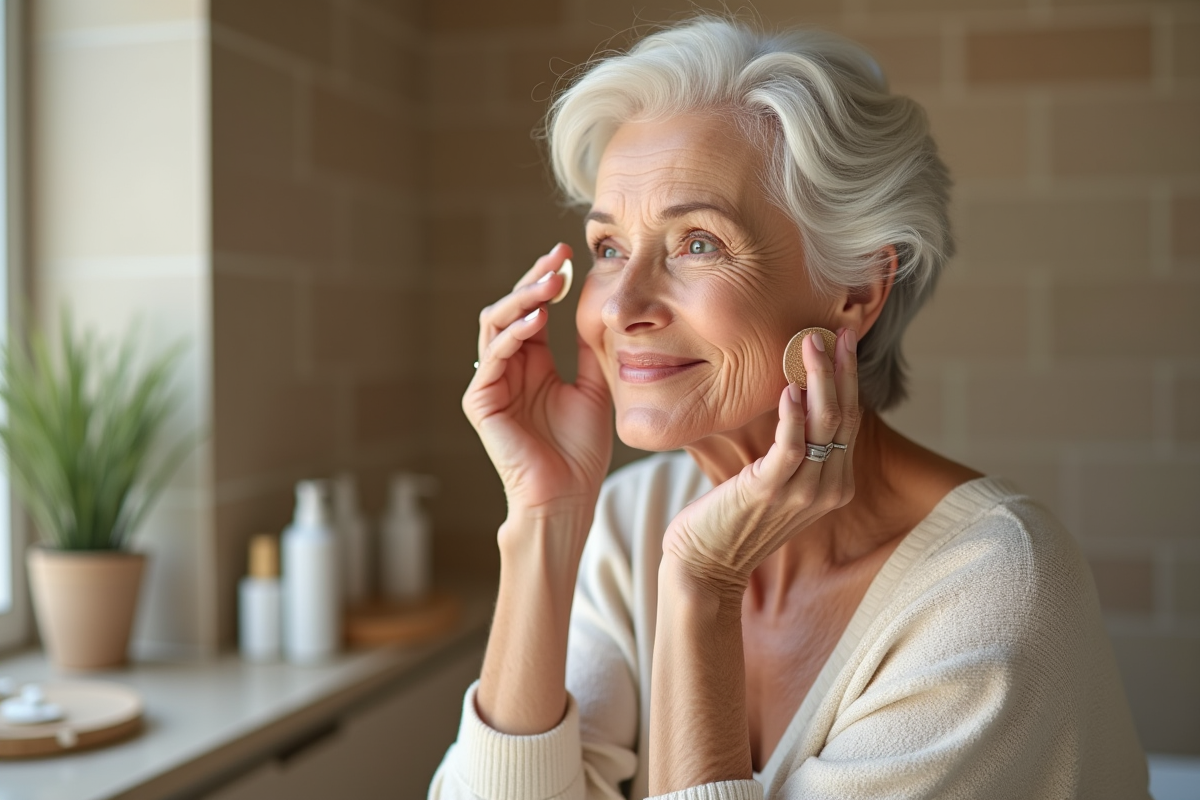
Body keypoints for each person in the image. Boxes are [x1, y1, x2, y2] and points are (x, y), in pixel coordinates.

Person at [431, 16, 1148, 800]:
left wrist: (704, 588)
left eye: (697, 242)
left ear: (856, 291)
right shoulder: (629, 523)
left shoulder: (996, 590)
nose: (622, 306)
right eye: (608, 248)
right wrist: (545, 516)